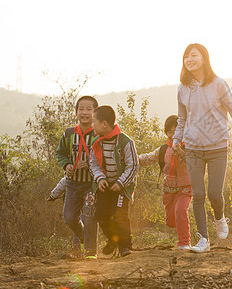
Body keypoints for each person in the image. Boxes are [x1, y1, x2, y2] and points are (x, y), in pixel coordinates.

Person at [172, 43, 232, 253]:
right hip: (192, 148)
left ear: (204, 58)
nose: (189, 60)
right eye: (185, 57)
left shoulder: (218, 84)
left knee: (214, 194)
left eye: (193, 55)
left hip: (217, 146)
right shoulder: (182, 89)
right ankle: (203, 240)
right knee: (198, 195)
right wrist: (176, 139)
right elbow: (182, 118)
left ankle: (219, 217)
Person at [89, 105, 139, 257]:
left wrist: (121, 183)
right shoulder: (96, 142)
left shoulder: (125, 142)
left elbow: (133, 165)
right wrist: (100, 178)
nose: (92, 125)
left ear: (104, 124)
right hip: (105, 185)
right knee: (101, 215)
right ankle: (113, 240)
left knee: (119, 215)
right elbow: (93, 163)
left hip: (122, 186)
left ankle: (125, 246)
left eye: (94, 122)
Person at [139, 115, 192, 250]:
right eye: (170, 132)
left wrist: (181, 154)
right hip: (168, 188)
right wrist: (132, 158)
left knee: (180, 210)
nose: (173, 135)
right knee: (170, 221)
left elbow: (195, 164)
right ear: (166, 133)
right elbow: (147, 158)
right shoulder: (163, 149)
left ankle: (184, 242)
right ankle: (180, 232)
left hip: (186, 187)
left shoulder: (189, 149)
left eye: (177, 132)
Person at [55, 96, 99, 259]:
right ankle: (83, 237)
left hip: (91, 185)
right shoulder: (69, 134)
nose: (85, 112)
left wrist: (89, 165)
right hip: (73, 183)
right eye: (81, 109)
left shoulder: (98, 134)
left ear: (95, 113)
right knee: (69, 218)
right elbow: (61, 153)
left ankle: (90, 251)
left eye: (89, 109)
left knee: (89, 216)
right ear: (76, 113)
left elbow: (102, 157)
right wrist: (66, 164)